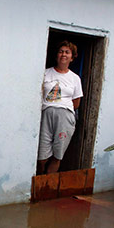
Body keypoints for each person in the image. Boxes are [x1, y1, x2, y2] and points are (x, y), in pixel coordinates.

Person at [37, 41, 82, 174]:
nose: (63, 54)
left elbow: (76, 102)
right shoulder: (46, 73)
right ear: (56, 55)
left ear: (72, 57)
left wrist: (61, 108)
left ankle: (48, 186)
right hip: (46, 115)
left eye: (67, 52)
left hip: (65, 116)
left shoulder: (75, 78)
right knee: (41, 157)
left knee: (57, 155)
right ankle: (39, 181)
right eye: (61, 51)